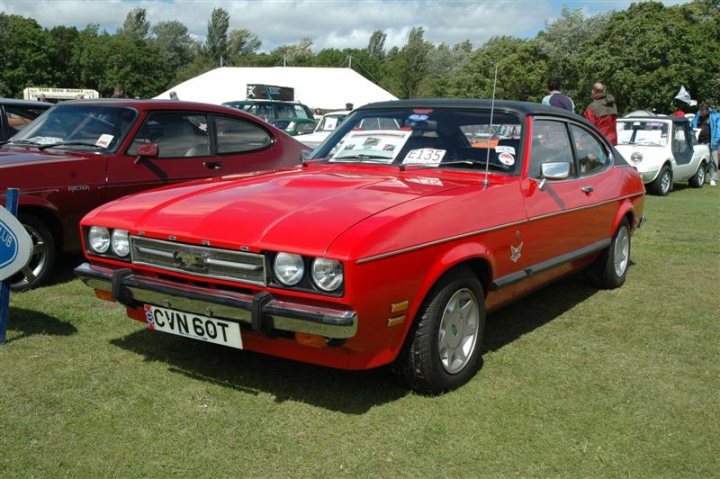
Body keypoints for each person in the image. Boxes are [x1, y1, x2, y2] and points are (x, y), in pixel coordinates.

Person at [692, 104, 720, 186]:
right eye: (701, 111)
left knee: (713, 160)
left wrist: (716, 140)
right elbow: (693, 124)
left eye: (703, 111)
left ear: (707, 111)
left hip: (711, 142)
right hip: (699, 141)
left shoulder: (714, 117)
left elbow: (718, 129)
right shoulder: (698, 116)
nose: (702, 113)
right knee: (699, 160)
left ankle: (713, 178)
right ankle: (699, 177)